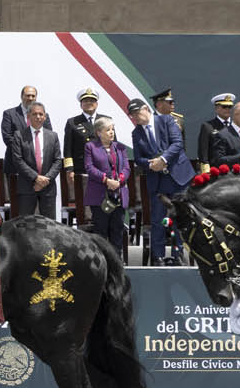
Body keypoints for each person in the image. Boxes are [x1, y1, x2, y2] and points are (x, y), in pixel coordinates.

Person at [129, 97, 193, 264]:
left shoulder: (166, 120)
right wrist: (151, 164)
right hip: (157, 181)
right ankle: (157, 256)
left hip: (178, 177)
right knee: (158, 219)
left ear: (146, 109)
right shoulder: (136, 133)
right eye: (132, 115)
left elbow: (177, 143)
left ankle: (178, 254)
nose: (136, 117)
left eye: (137, 112)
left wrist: (163, 160)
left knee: (179, 218)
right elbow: (138, 158)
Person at [84, 116, 131, 258]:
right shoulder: (90, 147)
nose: (111, 132)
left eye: (113, 129)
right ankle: (102, 262)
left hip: (119, 195)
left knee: (117, 229)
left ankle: (117, 261)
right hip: (99, 196)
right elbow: (89, 168)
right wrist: (106, 180)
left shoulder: (120, 147)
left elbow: (127, 168)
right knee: (101, 231)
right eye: (108, 130)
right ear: (99, 132)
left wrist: (119, 180)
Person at [11, 102, 61, 218]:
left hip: (48, 187)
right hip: (27, 187)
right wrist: (36, 178)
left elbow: (58, 161)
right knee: (26, 225)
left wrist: (46, 180)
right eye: (34, 114)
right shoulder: (19, 135)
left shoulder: (53, 136)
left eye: (40, 114)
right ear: (28, 116)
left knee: (49, 225)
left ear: (45, 117)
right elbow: (18, 160)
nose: (38, 117)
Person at [0, 85, 45, 203]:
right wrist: (28, 151)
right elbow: (7, 138)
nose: (30, 98)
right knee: (18, 206)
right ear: (21, 97)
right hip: (16, 167)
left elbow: (48, 138)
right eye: (27, 95)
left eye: (33, 96)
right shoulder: (9, 114)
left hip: (39, 171)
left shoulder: (43, 116)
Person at [62, 86, 102, 198]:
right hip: (82, 169)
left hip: (103, 169)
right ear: (81, 104)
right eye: (85, 101)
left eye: (92, 100)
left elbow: (114, 146)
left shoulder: (106, 120)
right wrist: (69, 170)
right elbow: (67, 149)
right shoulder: (72, 122)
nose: (89, 103)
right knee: (84, 203)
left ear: (97, 104)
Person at [197, 93, 235, 169]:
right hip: (216, 170)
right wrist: (206, 171)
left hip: (234, 169)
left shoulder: (236, 125)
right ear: (216, 108)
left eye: (230, 107)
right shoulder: (207, 126)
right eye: (224, 106)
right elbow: (203, 152)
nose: (228, 109)